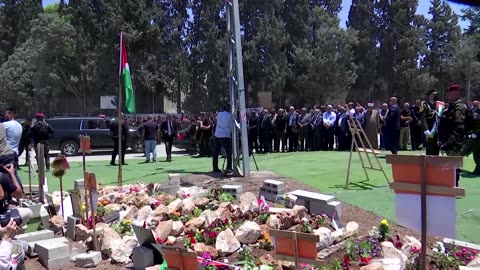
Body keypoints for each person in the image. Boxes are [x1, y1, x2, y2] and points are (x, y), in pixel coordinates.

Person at [438, 84, 467, 186]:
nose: (447, 95)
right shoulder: (451, 106)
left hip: (455, 142)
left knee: (454, 166)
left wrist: (450, 142)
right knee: (450, 166)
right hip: (449, 141)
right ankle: (450, 186)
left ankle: (454, 187)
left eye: (449, 93)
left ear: (455, 93)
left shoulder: (459, 106)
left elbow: (459, 126)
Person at [212, 104, 233, 174]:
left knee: (216, 152)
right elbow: (231, 125)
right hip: (225, 135)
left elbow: (215, 121)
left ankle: (215, 167)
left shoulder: (219, 114)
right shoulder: (230, 115)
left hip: (217, 134)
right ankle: (229, 167)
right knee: (229, 152)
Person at [420, 89, 440, 155]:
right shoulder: (424, 104)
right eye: (434, 95)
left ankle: (436, 164)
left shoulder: (438, 105)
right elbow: (423, 118)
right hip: (429, 130)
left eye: (436, 95)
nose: (435, 96)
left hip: (437, 130)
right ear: (430, 96)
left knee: (436, 148)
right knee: (429, 149)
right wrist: (426, 130)